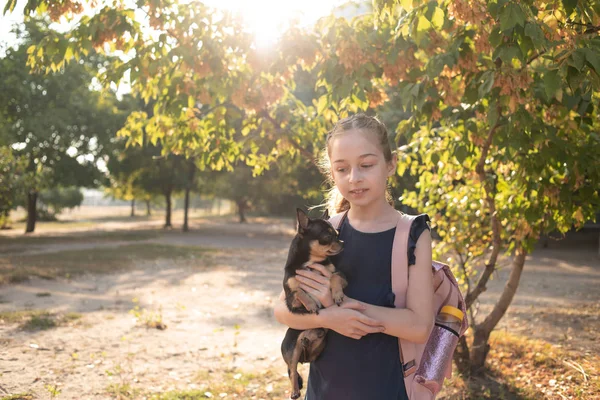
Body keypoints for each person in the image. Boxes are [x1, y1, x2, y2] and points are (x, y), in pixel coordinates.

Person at [273, 113, 434, 400]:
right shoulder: (326, 232)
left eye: (367, 165)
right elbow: (282, 310)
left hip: (388, 389)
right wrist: (329, 317)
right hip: (324, 391)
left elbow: (420, 327)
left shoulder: (412, 234)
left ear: (391, 163)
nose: (354, 178)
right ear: (331, 173)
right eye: (342, 169)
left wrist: (345, 306)